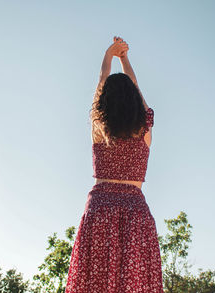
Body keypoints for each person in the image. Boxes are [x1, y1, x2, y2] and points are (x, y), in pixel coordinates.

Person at [65, 36, 164, 292]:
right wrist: (125, 58)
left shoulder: (99, 129)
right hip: (135, 214)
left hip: (100, 211)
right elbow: (136, 88)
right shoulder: (145, 129)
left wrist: (109, 55)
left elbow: (100, 85)